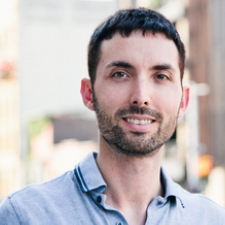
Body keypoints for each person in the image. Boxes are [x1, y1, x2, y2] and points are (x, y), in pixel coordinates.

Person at [0, 8, 225, 225]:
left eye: (161, 76)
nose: (141, 97)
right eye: (120, 74)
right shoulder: (25, 216)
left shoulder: (211, 219)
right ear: (89, 93)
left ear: (183, 101)